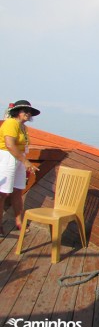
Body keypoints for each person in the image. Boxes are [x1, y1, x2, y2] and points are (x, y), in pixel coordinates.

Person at [0, 100, 40, 236]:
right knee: (2, 194)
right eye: (25, 111)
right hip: (7, 158)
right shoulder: (11, 123)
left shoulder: (24, 127)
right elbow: (10, 145)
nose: (28, 114)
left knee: (18, 191)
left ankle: (19, 222)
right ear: (17, 112)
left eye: (29, 112)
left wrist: (24, 161)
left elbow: (22, 146)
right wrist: (27, 162)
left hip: (19, 158)